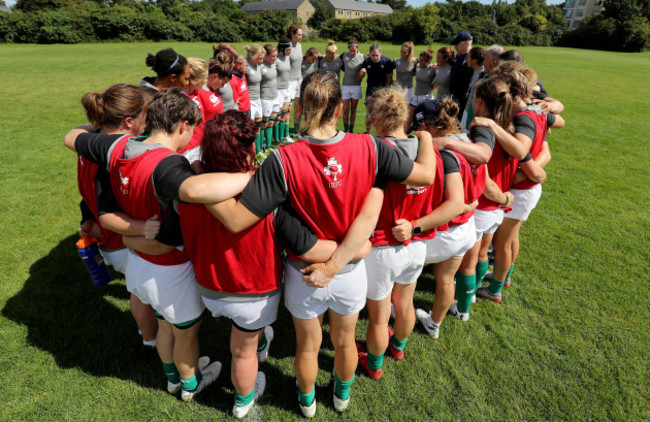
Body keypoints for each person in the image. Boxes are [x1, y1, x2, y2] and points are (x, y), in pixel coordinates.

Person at [203, 70, 436, 417]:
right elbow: (426, 176)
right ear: (340, 106)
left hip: (304, 272)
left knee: (307, 346)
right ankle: (341, 397)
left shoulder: (282, 160)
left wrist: (196, 182)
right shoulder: (371, 146)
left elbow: (236, 220)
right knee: (344, 342)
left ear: (300, 106)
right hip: (349, 269)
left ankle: (307, 402)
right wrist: (428, 139)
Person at [64, 89, 254, 402]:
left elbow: (73, 139)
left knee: (165, 326)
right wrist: (252, 177)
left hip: (138, 264)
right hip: (170, 271)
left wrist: (130, 236)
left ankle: (171, 379)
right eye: (192, 129)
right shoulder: (169, 166)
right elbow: (192, 195)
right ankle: (191, 383)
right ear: (183, 126)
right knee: (185, 333)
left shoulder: (118, 146)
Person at [176, 110, 345, 418]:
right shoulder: (266, 192)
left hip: (209, 287)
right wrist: (352, 247)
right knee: (243, 351)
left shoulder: (189, 185)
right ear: (251, 147)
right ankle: (243, 401)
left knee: (244, 342)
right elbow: (305, 246)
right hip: (252, 292)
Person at [356, 88, 440, 380]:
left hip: (382, 245)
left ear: (378, 117)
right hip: (415, 242)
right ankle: (398, 347)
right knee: (405, 303)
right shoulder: (425, 150)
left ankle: (374, 364)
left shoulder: (377, 150)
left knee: (379, 317)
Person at [76, 83, 159, 349]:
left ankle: (151, 338)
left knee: (139, 291)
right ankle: (154, 342)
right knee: (143, 293)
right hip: (121, 239)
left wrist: (86, 219)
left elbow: (87, 191)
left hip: (107, 237)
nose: (147, 124)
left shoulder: (89, 145)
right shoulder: (117, 154)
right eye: (144, 117)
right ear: (128, 121)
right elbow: (109, 205)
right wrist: (146, 227)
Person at [394, 99, 474, 340]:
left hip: (444, 233)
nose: (417, 134)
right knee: (446, 279)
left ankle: (394, 324)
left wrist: (416, 226)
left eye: (419, 128)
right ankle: (434, 324)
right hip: (466, 229)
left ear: (427, 126)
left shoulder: (445, 153)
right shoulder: (466, 141)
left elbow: (454, 202)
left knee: (401, 280)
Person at [470, 71, 547, 304]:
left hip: (519, 191)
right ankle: (504, 278)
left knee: (501, 243)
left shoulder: (523, 118)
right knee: (510, 238)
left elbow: (521, 151)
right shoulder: (534, 111)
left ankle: (495, 289)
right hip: (518, 188)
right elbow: (545, 150)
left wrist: (493, 127)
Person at [358, 43, 394, 133]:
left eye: (377, 55)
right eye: (373, 55)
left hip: (383, 91)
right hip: (370, 91)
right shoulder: (367, 62)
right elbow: (358, 79)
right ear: (369, 54)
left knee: (382, 113)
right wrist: (361, 73)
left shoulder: (386, 62)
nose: (375, 57)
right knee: (369, 113)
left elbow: (389, 79)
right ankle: (367, 132)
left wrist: (386, 92)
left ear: (380, 53)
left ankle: (383, 132)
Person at [180, 57, 208, 159]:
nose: (206, 81)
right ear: (195, 80)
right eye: (204, 78)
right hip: (187, 150)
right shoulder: (180, 98)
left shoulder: (195, 91)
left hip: (199, 143)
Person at [340, 38, 365, 133]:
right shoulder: (344, 55)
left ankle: (351, 129)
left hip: (356, 86)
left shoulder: (362, 57)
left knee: (353, 110)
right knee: (345, 110)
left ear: (357, 48)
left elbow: (369, 65)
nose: (352, 52)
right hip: (346, 86)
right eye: (350, 50)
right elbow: (334, 57)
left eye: (354, 50)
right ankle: (345, 129)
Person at [408, 48, 436, 130]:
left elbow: (439, 80)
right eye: (420, 60)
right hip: (416, 97)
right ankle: (404, 135)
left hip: (426, 98)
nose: (420, 62)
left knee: (424, 122)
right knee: (409, 119)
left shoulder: (432, 69)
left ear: (428, 61)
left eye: (423, 61)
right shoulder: (417, 66)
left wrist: (431, 87)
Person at [245, 44, 265, 153]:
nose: (262, 61)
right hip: (249, 101)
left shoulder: (258, 66)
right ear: (252, 56)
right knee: (250, 127)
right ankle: (250, 151)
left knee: (258, 124)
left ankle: (258, 150)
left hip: (257, 99)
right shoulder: (246, 67)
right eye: (260, 58)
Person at [460, 46, 486, 132]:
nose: (466, 59)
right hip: (467, 109)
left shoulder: (482, 74)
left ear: (474, 60)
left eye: (468, 57)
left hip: (472, 113)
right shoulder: (475, 71)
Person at [449, 31, 474, 114]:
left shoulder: (473, 60)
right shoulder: (459, 56)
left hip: (463, 102)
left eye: (457, 44)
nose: (455, 47)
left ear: (466, 43)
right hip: (454, 99)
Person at [260, 44, 280, 151]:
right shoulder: (260, 66)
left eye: (275, 56)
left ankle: (268, 147)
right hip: (265, 98)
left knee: (271, 122)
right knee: (264, 123)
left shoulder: (274, 64)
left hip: (275, 96)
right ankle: (261, 147)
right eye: (272, 56)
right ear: (265, 55)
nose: (275, 58)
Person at [275, 38, 294, 144]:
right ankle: (277, 139)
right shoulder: (276, 59)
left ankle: (283, 137)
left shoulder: (287, 58)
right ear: (282, 49)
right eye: (288, 49)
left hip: (287, 89)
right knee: (277, 116)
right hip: (278, 91)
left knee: (285, 114)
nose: (289, 51)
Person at [286, 24, 303, 134]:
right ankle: (285, 133)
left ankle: (296, 131)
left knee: (298, 106)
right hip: (289, 81)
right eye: (299, 34)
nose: (301, 36)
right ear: (292, 34)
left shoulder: (299, 46)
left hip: (299, 80)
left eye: (301, 34)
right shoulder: (287, 46)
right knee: (288, 108)